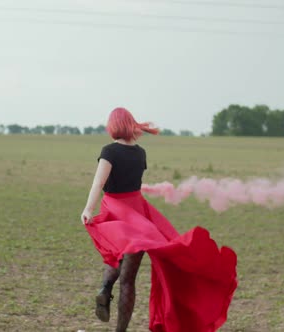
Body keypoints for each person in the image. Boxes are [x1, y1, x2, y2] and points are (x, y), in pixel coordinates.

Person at [81, 107, 237, 332]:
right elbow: (132, 185)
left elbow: (98, 183)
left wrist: (88, 208)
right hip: (138, 212)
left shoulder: (109, 152)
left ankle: (105, 288)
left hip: (114, 211)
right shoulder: (140, 153)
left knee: (116, 256)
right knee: (128, 279)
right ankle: (119, 329)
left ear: (113, 126)